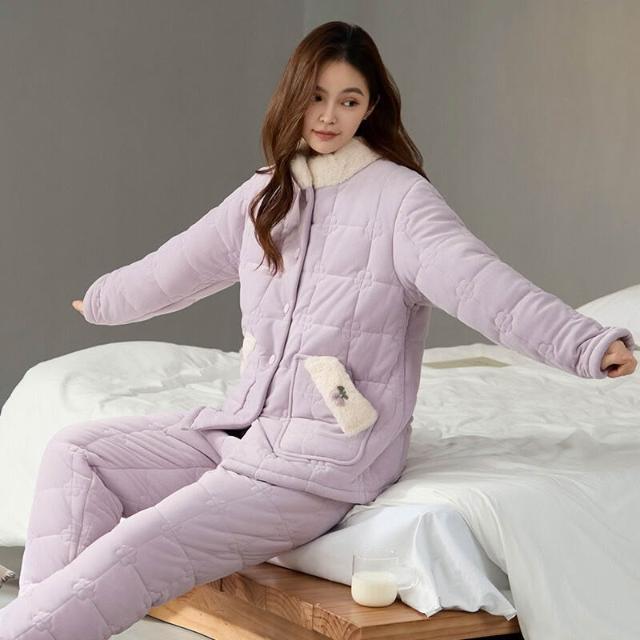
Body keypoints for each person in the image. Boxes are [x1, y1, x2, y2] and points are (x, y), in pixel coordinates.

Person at [1, 20, 636, 640]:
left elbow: (486, 289)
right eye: (316, 96)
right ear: (293, 96)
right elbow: (178, 265)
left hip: (321, 462)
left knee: (140, 546)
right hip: (245, 426)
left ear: (370, 108)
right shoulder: (269, 191)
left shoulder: (401, 202)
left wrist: (585, 343)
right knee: (76, 452)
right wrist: (104, 300)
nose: (329, 116)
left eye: (349, 100)